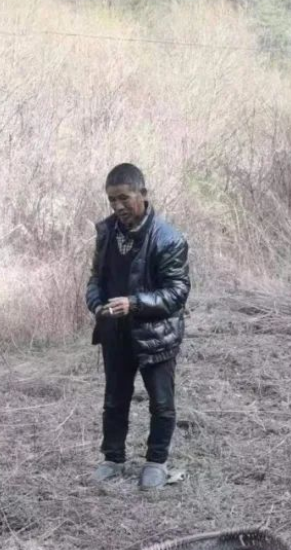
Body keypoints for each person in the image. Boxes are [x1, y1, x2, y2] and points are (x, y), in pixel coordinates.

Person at [85, 163, 191, 490]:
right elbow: (95, 279)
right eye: (111, 200)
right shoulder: (106, 233)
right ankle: (113, 458)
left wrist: (134, 303)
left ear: (142, 194)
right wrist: (96, 304)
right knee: (115, 399)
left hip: (156, 336)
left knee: (161, 403)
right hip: (115, 333)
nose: (117, 206)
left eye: (123, 198)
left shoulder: (168, 239)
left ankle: (156, 461)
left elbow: (177, 292)